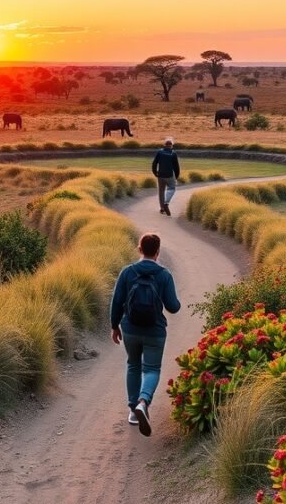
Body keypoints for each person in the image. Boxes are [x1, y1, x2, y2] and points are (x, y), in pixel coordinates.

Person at [110, 233, 181, 437]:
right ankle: (143, 402)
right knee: (151, 369)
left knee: (133, 365)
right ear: (157, 252)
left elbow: (116, 302)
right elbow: (173, 307)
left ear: (139, 249)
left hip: (130, 329)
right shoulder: (164, 275)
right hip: (155, 331)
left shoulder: (127, 272)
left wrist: (115, 326)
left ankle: (133, 411)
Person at [152, 137, 180, 216]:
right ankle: (166, 203)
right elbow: (176, 167)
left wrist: (155, 172)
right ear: (172, 145)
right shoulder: (173, 153)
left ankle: (162, 209)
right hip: (169, 175)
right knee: (172, 188)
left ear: (164, 145)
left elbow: (154, 163)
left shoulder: (159, 152)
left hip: (160, 175)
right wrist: (176, 177)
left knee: (161, 191)